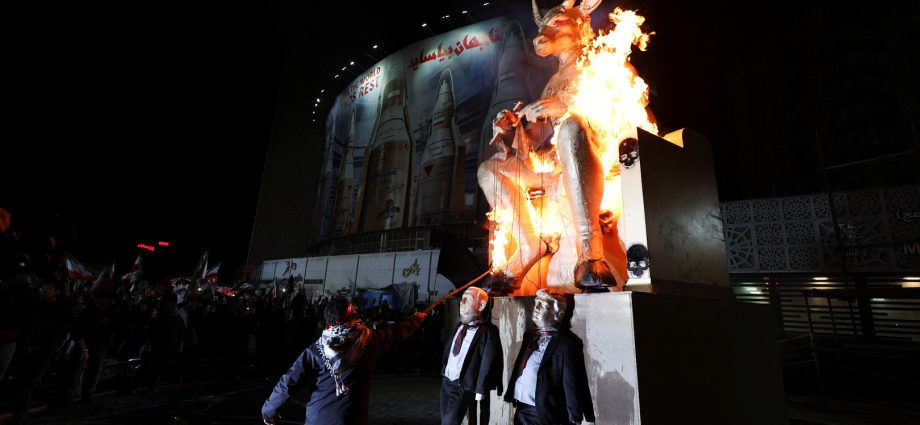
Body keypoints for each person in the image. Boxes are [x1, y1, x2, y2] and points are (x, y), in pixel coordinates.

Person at [261, 295, 425, 425]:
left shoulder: (317, 349)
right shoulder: (369, 340)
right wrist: (418, 318)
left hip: (318, 419)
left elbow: (289, 381)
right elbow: (398, 331)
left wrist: (269, 410)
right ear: (350, 315)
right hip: (352, 420)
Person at [505, 288, 595, 425]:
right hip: (521, 407)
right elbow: (520, 365)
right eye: (536, 304)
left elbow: (572, 382)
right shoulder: (529, 336)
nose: (536, 308)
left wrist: (577, 417)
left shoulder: (566, 345)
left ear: (557, 314)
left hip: (543, 412)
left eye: (543, 306)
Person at [440, 287, 502, 425]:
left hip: (462, 385)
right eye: (462, 297)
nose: (462, 302)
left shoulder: (487, 332)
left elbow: (487, 361)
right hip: (446, 381)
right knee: (444, 419)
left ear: (481, 305)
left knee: (450, 421)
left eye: (467, 298)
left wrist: (481, 389)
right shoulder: (459, 326)